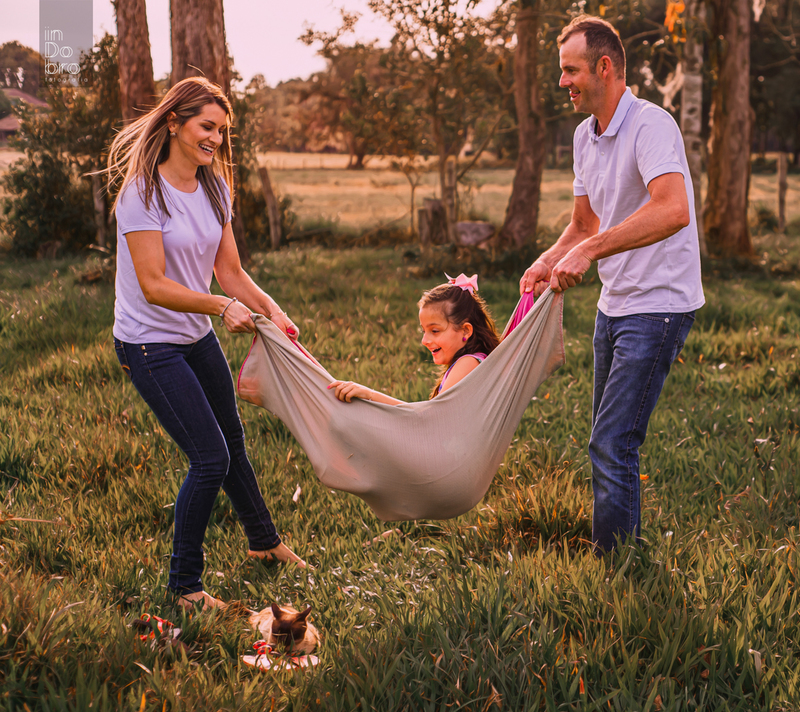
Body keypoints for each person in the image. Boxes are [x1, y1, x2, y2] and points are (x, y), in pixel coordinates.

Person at [107, 77, 307, 612]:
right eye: (206, 126)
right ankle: (184, 588)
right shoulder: (142, 193)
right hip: (148, 344)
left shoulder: (215, 188)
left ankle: (264, 542)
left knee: (232, 440)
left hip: (194, 338)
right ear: (174, 123)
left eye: (222, 130)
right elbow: (154, 285)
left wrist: (273, 311)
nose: (216, 139)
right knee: (209, 459)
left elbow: (230, 271)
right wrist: (220, 307)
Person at [520, 15, 704, 553]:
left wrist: (589, 252)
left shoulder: (651, 125)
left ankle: (617, 566)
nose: (563, 82)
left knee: (612, 441)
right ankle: (618, 557)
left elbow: (673, 210)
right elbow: (583, 224)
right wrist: (548, 258)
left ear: (605, 67)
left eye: (571, 70)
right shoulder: (586, 136)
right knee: (608, 440)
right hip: (613, 305)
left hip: (660, 304)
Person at [328, 274, 501, 404]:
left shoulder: (468, 363)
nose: (424, 340)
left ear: (465, 331)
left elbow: (428, 418)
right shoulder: (472, 361)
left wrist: (370, 395)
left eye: (435, 330)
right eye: (423, 331)